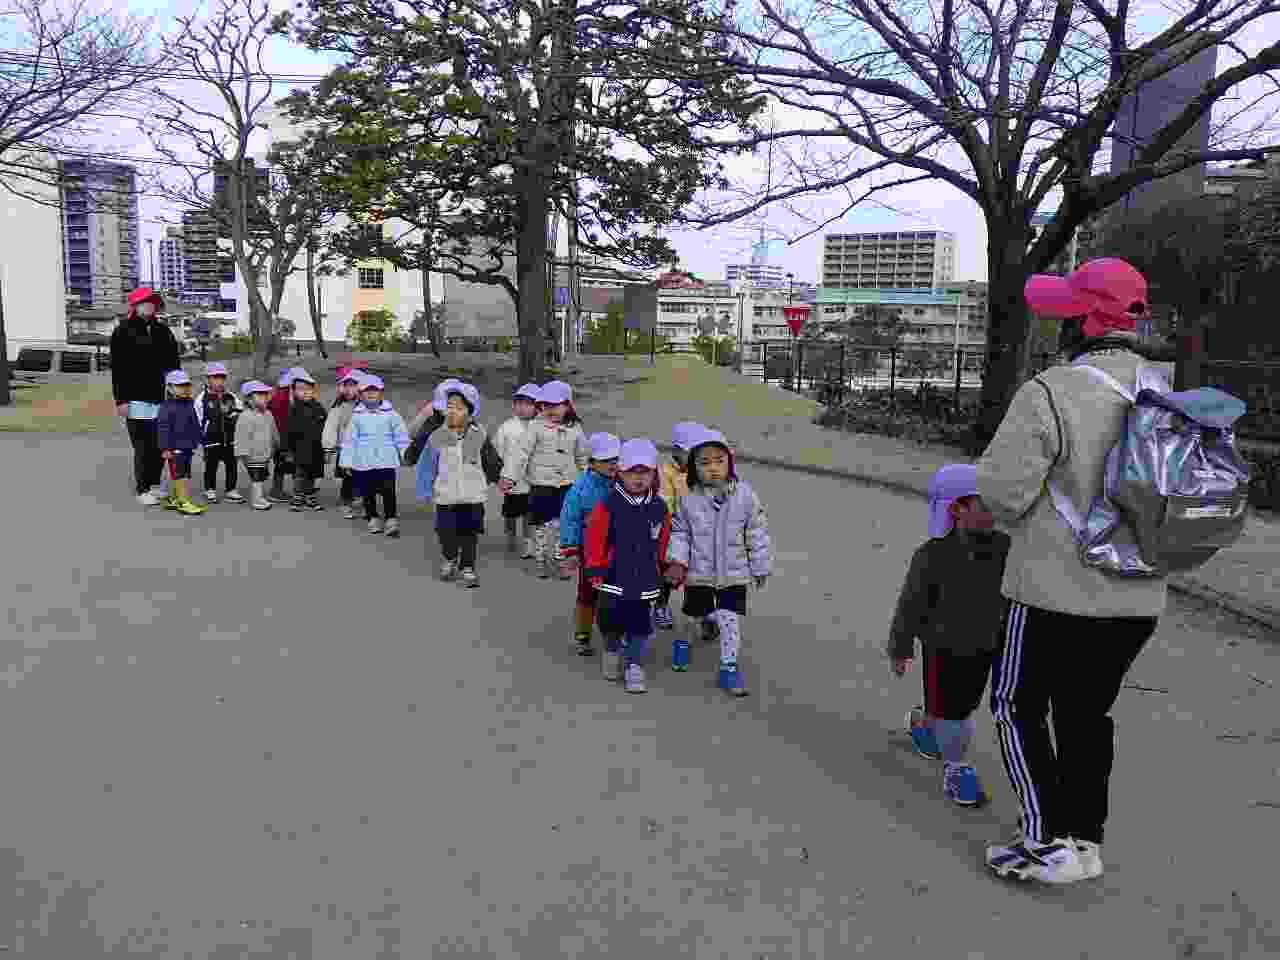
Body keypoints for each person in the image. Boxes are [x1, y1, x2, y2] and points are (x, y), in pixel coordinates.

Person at [977, 258, 1167, 884]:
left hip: (1052, 590)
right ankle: (1083, 841)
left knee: (1016, 705)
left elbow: (1001, 492)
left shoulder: (1052, 390)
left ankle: (1045, 842)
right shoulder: (1166, 388)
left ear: (1083, 320)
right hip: (1137, 598)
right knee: (1087, 715)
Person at [887, 463, 1010, 808]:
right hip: (943, 648)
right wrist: (900, 646)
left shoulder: (1007, 547)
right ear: (957, 509)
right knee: (953, 713)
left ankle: (927, 727)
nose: (996, 509)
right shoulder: (932, 556)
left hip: (989, 645)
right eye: (985, 503)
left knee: (961, 705)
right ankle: (957, 768)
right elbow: (910, 605)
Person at [665, 428, 771, 696]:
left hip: (733, 574)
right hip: (699, 574)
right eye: (704, 463)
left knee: (729, 619)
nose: (713, 468)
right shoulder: (689, 500)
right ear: (693, 467)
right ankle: (682, 643)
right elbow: (680, 533)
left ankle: (728, 667)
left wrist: (760, 566)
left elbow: (756, 531)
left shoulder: (745, 496)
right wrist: (677, 561)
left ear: (730, 463)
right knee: (693, 614)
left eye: (719, 461)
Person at [583, 438, 672, 694]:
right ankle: (611, 651)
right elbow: (595, 539)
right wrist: (595, 567)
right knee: (610, 620)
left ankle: (634, 665)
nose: (639, 478)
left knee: (640, 624)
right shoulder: (608, 505)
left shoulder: (659, 507)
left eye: (645, 472)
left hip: (645, 577)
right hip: (613, 576)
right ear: (620, 472)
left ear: (654, 474)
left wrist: (666, 566)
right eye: (632, 471)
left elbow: (664, 539)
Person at [497, 380, 589, 578]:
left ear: (567, 406)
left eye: (556, 405)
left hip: (567, 484)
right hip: (541, 485)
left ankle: (560, 558)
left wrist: (587, 480)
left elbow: (582, 456)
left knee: (564, 523)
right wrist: (509, 476)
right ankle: (541, 558)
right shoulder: (535, 427)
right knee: (541, 524)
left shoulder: (575, 428)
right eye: (546, 405)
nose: (550, 410)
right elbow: (520, 453)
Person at [415, 383, 500, 587]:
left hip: (473, 496)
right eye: (449, 406)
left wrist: (501, 479)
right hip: (446, 495)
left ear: (471, 413)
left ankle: (467, 566)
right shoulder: (439, 436)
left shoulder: (477, 435)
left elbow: (490, 461)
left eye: (459, 408)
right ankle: (450, 557)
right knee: (445, 532)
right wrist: (425, 489)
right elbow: (427, 465)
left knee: (470, 533)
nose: (452, 412)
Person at [110, 287, 181, 506]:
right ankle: (142, 488)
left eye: (152, 302)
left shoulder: (163, 331)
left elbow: (174, 363)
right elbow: (118, 369)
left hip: (161, 397)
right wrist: (121, 400)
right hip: (135, 398)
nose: (149, 306)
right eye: (144, 302)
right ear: (135, 305)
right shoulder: (123, 331)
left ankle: (154, 484)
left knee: (160, 444)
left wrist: (177, 389)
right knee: (142, 447)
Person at [558, 432, 622, 657]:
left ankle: (614, 633)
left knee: (615, 592)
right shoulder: (580, 489)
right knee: (588, 593)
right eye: (606, 460)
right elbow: (570, 520)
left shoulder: (623, 482)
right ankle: (583, 634)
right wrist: (571, 550)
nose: (613, 464)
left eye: (616, 459)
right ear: (592, 462)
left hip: (617, 549)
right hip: (590, 551)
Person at [342, 374, 410, 537]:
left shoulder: (392, 415)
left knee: (388, 490)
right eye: (367, 391)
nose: (371, 393)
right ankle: (372, 517)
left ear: (381, 393)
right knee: (367, 492)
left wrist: (406, 453)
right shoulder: (357, 417)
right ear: (360, 394)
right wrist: (346, 461)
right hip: (363, 461)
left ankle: (391, 518)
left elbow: (401, 436)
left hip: (386, 460)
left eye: (375, 390)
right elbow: (349, 441)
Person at [653, 421, 702, 635]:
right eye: (690, 452)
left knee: (697, 577)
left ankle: (699, 614)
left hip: (699, 533)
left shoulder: (700, 471)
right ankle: (660, 605)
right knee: (669, 574)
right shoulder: (666, 473)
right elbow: (666, 506)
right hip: (675, 533)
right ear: (677, 451)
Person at [493, 383, 542, 555]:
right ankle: (511, 538)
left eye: (528, 404)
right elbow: (497, 451)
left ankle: (528, 541)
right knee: (510, 513)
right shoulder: (507, 427)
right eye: (518, 403)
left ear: (538, 407)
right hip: (511, 481)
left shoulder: (541, 427)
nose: (522, 407)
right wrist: (498, 474)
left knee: (529, 513)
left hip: (533, 480)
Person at [156, 369, 207, 516]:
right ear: (169, 388)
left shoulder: (190, 403)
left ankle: (177, 498)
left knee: (184, 473)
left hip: (188, 447)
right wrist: (165, 448)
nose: (184, 388)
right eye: (179, 386)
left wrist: (201, 439)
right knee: (180, 475)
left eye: (186, 385)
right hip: (174, 449)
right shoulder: (166, 407)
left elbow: (195, 423)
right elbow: (163, 428)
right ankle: (183, 501)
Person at [194, 361, 244, 504]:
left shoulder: (231, 397)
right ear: (207, 379)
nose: (219, 381)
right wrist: (201, 440)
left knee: (232, 465)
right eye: (215, 378)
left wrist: (235, 416)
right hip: (211, 440)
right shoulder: (202, 399)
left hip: (230, 439)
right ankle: (209, 489)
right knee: (211, 466)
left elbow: (240, 413)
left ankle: (231, 490)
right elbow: (197, 420)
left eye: (222, 378)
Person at [284, 368, 328, 512]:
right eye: (301, 389)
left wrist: (327, 447)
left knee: (313, 475)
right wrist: (288, 451)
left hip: (316, 449)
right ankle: (298, 497)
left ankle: (310, 497)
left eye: (308, 389)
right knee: (299, 475)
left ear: (313, 391)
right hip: (299, 449)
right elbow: (288, 431)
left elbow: (326, 427)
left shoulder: (319, 407)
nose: (305, 392)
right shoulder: (294, 409)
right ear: (294, 391)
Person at [323, 368, 363, 517]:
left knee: (363, 475)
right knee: (348, 477)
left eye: (353, 385)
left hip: (364, 449)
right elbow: (330, 426)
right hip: (346, 448)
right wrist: (328, 447)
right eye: (346, 385)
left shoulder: (368, 406)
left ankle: (360, 499)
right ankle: (346, 502)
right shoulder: (339, 407)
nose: (348, 389)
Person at [234, 380, 279, 511]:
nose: (264, 397)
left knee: (261, 476)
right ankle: (257, 499)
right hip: (252, 454)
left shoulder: (268, 414)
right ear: (249, 399)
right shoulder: (245, 416)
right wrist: (241, 453)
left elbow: (274, 431)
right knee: (256, 477)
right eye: (259, 395)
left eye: (265, 394)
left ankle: (259, 497)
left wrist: (277, 444)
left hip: (265, 453)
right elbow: (241, 436)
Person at [268, 368, 296, 503]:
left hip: (278, 435)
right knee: (286, 464)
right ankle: (279, 491)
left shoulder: (276, 394)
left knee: (281, 464)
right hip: (284, 436)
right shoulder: (285, 395)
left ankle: (277, 490)